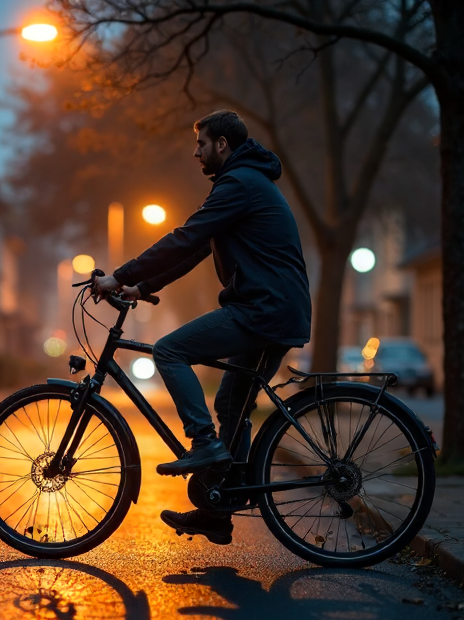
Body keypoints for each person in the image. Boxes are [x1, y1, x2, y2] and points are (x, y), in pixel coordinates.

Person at [93, 110, 311, 545]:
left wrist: (118, 276)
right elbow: (196, 250)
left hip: (263, 309)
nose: (196, 152)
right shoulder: (244, 184)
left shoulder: (239, 184)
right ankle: (217, 509)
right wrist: (142, 285)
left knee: (169, 351)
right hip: (275, 308)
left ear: (222, 145)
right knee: (231, 404)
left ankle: (204, 443)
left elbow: (185, 237)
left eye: (201, 144)